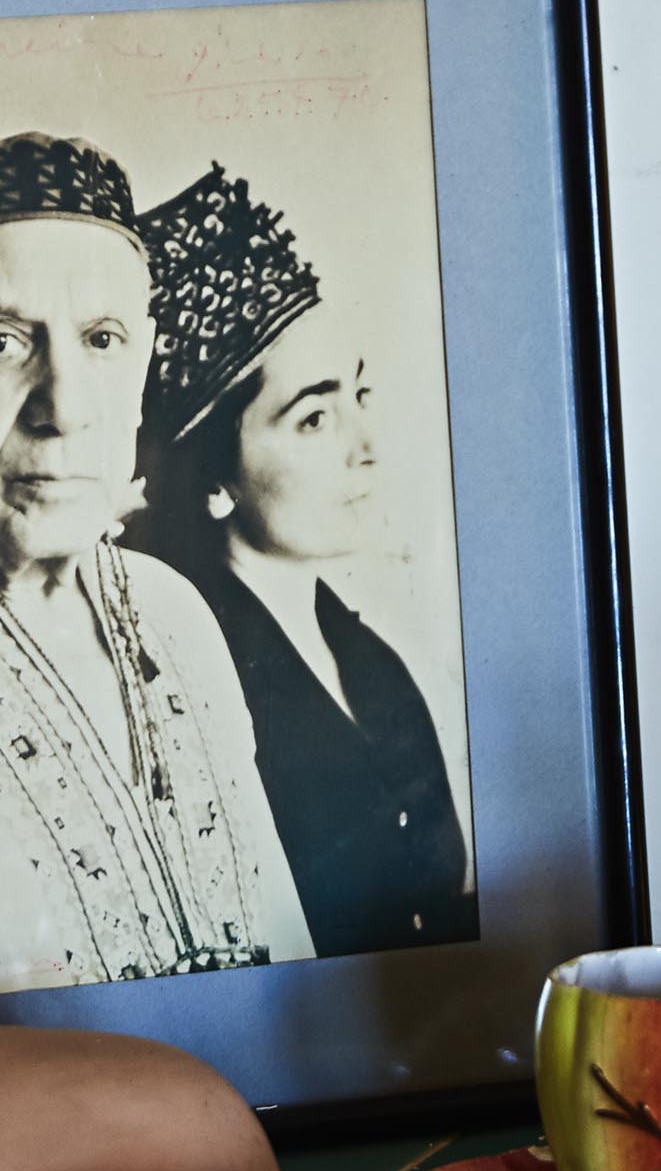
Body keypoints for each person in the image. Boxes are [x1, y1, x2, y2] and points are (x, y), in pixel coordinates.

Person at [0, 135, 313, 1003]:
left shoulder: (175, 613)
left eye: (103, 339)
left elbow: (294, 980)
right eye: (0, 341)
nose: (67, 408)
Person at [134, 166, 474, 959]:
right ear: (214, 479)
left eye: (360, 398)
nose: (366, 449)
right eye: (314, 418)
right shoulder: (189, 687)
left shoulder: (370, 657)